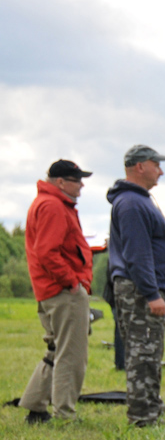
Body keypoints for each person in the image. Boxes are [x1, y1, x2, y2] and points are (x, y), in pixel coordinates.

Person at [106, 144, 165, 427]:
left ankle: (151, 410)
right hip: (141, 291)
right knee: (143, 353)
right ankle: (142, 417)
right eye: (156, 164)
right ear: (139, 166)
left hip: (144, 289)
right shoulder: (132, 203)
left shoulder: (138, 200)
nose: (160, 170)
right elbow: (138, 254)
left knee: (149, 351)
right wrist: (151, 293)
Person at [17, 159, 95, 423]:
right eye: (77, 180)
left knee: (55, 351)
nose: (82, 185)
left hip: (50, 289)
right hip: (63, 292)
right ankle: (65, 414)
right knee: (71, 354)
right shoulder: (53, 206)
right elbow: (47, 252)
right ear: (61, 182)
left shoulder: (48, 203)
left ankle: (35, 407)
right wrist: (72, 283)